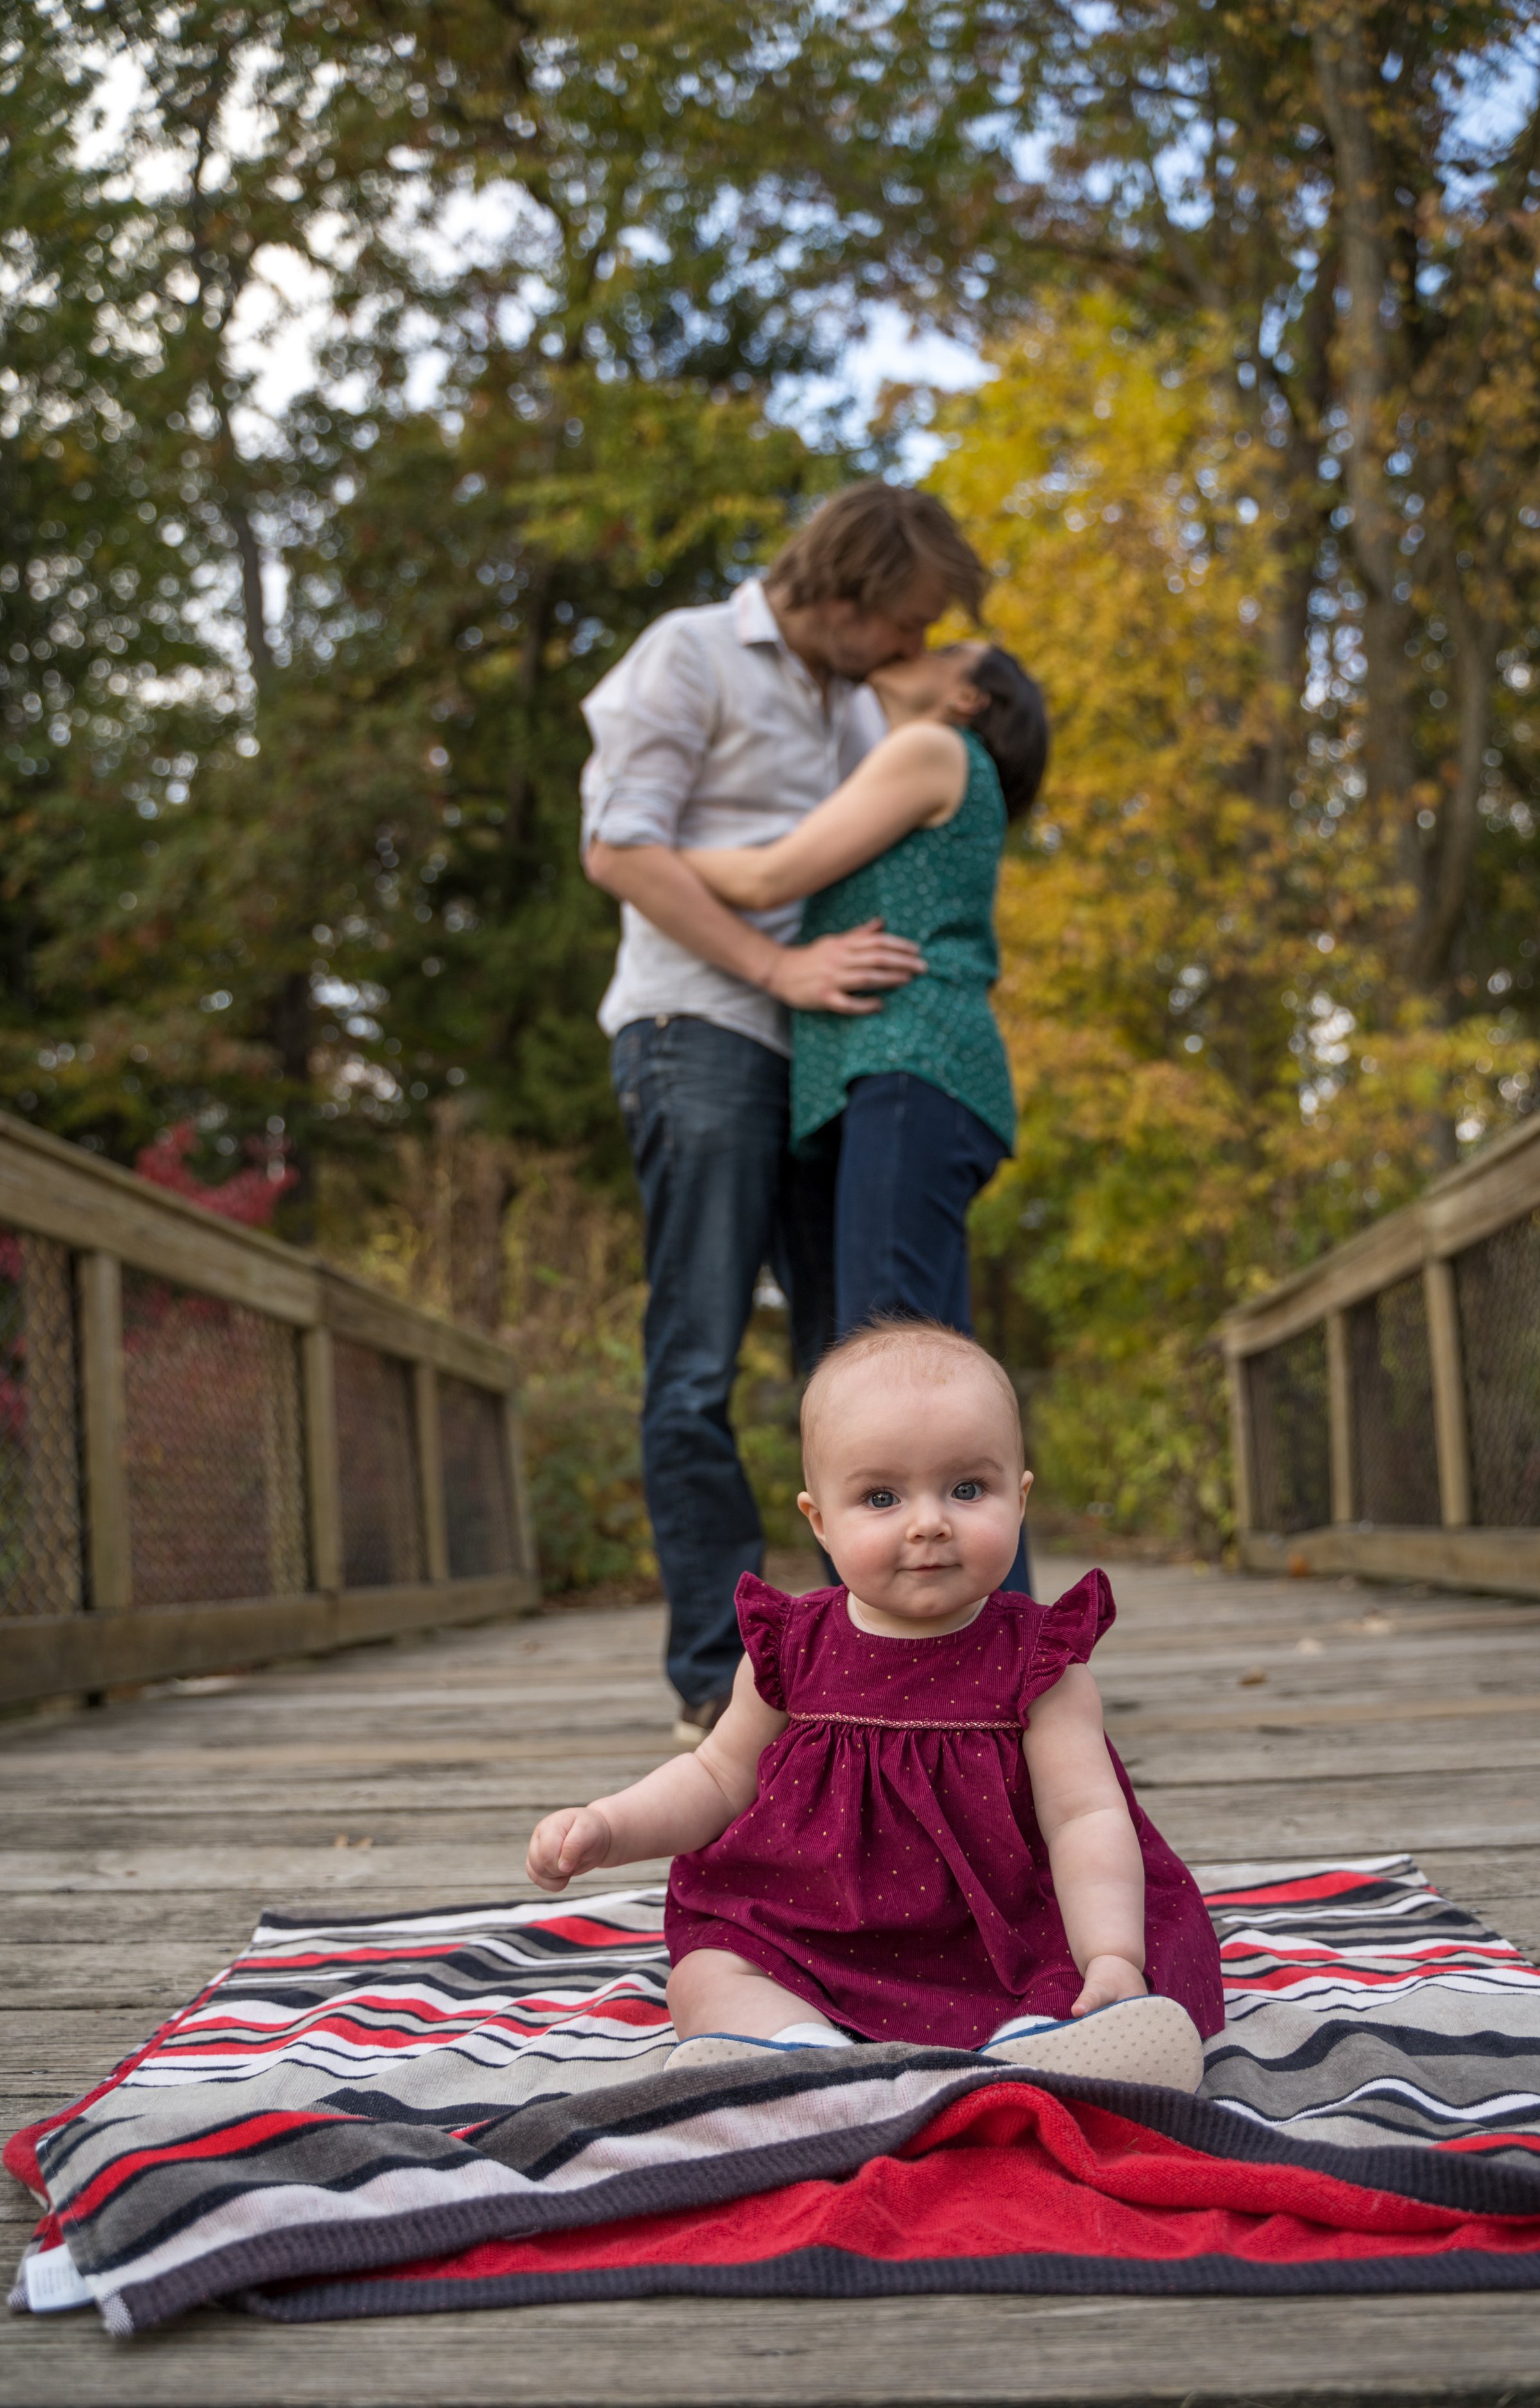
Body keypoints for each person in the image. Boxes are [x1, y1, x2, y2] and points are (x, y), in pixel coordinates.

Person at [526, 1321, 1224, 2088]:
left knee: (1091, 1972)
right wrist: (608, 1826)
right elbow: (716, 1778)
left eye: (967, 1489)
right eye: (881, 1497)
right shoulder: (790, 1649)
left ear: (1019, 1500)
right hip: (813, 1922)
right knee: (709, 1970)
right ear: (819, 1520)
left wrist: (1112, 1957)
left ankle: (1041, 2048)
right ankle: (795, 2059)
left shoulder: (1038, 1664)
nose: (929, 1522)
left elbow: (1085, 1819)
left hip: (1001, 1936)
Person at [580, 482, 987, 1747]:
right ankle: (716, 1676)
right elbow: (620, 847)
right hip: (696, 1030)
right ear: (850, 594)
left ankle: (859, 1662)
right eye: (904, 621)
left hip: (828, 1054)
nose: (911, 646)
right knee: (698, 1355)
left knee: (848, 1359)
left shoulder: (862, 701)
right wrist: (770, 968)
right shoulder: (689, 653)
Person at [682, 639, 1048, 1593]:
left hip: (912, 1067)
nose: (909, 643)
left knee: (904, 1377)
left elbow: (770, 878)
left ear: (968, 693)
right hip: (887, 1082)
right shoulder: (918, 759)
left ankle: (996, 1673)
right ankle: (962, 1652)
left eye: (943, 644)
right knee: (903, 1369)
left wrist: (647, 855)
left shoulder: (932, 746)